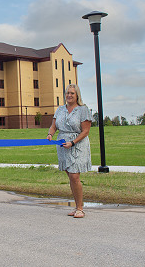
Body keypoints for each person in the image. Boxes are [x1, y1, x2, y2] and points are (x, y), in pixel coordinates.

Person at [47, 84, 92, 218]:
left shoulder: (83, 110)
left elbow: (86, 131)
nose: (69, 95)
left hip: (77, 145)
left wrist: (72, 142)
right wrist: (50, 134)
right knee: (70, 176)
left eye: (72, 93)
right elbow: (53, 126)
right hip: (62, 144)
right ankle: (77, 205)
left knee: (74, 176)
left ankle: (80, 208)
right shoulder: (60, 109)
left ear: (77, 95)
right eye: (67, 93)